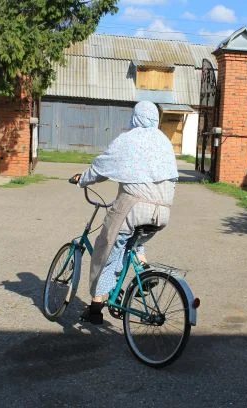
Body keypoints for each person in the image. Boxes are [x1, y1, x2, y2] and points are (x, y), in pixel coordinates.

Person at [71, 101, 179, 325]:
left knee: (106, 249)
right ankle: (143, 269)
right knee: (134, 240)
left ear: (135, 117)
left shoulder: (129, 139)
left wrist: (83, 179)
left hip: (133, 207)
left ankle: (95, 308)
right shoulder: (164, 141)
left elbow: (101, 167)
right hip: (163, 212)